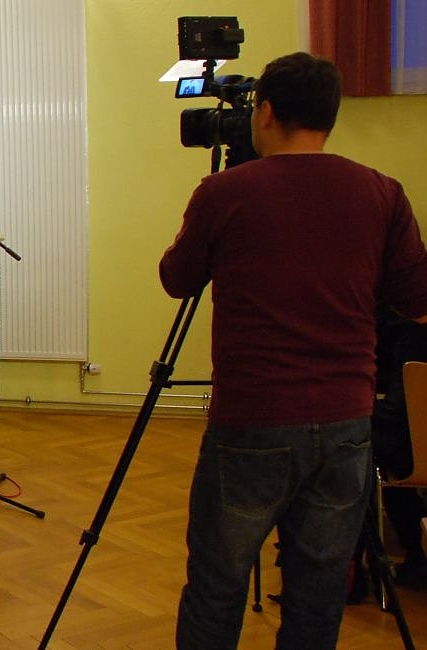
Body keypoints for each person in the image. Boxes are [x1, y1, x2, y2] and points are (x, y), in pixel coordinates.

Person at [159, 52, 427, 648]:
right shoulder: (382, 191)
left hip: (252, 419)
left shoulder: (225, 192)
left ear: (266, 112)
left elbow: (177, 279)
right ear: (331, 116)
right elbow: (417, 299)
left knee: (217, 584)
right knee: (318, 591)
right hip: (346, 421)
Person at [370, 303, 427, 585]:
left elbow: (394, 416)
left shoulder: (412, 334)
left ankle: (417, 550)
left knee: (371, 450)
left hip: (418, 454)